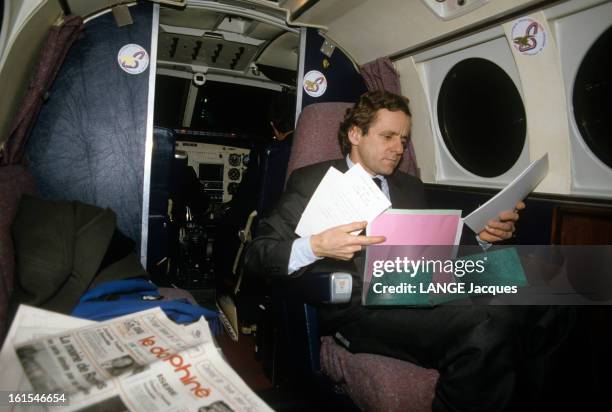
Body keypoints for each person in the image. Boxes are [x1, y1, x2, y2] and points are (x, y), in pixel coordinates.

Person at [245, 90, 568, 411]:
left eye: (403, 139)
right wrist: (316, 245)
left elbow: (433, 247)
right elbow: (259, 254)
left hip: (423, 286)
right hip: (360, 307)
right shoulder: (311, 180)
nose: (398, 148)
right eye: (388, 136)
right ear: (355, 134)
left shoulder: (409, 187)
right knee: (486, 323)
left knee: (548, 295)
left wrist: (482, 238)